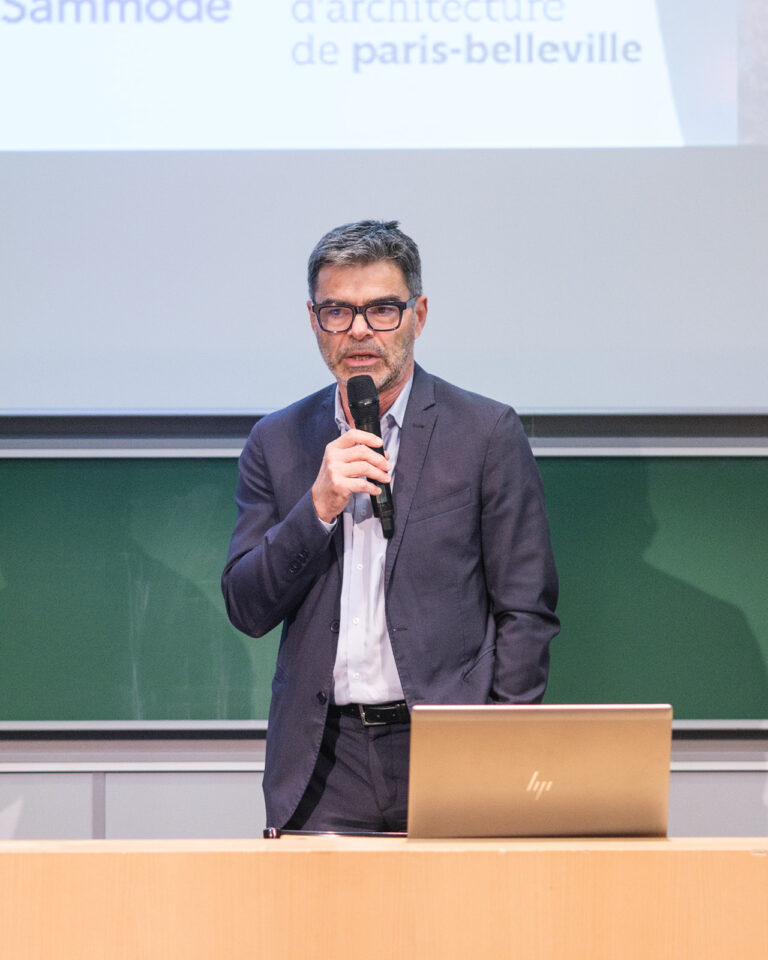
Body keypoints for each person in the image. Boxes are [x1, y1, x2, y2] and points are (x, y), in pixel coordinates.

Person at [222, 220, 559, 832]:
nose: (358, 330)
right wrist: (318, 505)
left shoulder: (484, 433)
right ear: (313, 318)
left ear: (418, 314)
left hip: (449, 748)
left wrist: (499, 745)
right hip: (323, 761)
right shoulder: (276, 442)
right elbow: (247, 607)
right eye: (337, 311)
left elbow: (526, 612)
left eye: (381, 310)